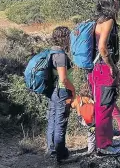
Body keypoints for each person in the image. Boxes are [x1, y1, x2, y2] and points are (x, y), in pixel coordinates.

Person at [87, 0, 120, 156]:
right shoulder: (108, 21)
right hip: (103, 69)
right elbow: (102, 48)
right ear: (109, 1)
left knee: (106, 107)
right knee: (104, 108)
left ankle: (106, 143)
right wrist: (112, 67)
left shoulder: (99, 21)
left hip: (97, 70)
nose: (118, 1)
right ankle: (103, 146)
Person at [46, 26, 76, 162]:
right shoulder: (61, 55)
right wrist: (73, 90)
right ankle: (61, 156)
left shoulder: (51, 52)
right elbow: (64, 78)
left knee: (52, 120)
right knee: (60, 123)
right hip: (62, 91)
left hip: (53, 91)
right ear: (65, 38)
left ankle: (52, 151)